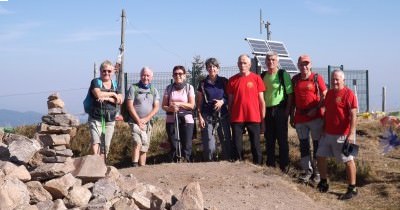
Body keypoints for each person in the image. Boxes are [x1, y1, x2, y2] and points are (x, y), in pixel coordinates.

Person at [316, 69, 358, 200]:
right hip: (328, 133)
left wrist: (351, 134)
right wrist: (323, 127)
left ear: (343, 80)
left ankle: (352, 188)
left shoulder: (349, 94)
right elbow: (327, 111)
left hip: (343, 134)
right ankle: (323, 182)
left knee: (348, 160)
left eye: (337, 79)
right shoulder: (329, 94)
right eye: (333, 79)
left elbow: (354, 115)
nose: (334, 81)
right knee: (320, 155)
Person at [290, 55, 327, 183]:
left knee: (317, 145)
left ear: (310, 65)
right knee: (304, 145)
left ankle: (317, 172)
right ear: (298, 65)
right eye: (301, 64)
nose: (304, 66)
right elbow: (292, 99)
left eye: (306, 64)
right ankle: (307, 171)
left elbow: (325, 94)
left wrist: (316, 109)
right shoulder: (295, 79)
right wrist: (292, 115)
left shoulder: (317, 78)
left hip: (315, 118)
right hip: (300, 118)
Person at [226, 54, 265, 165]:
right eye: (240, 63)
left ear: (249, 64)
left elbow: (261, 101)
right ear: (237, 64)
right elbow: (230, 101)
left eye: (245, 63)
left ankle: (258, 166)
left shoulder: (257, 78)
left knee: (255, 144)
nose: (242, 65)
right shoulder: (232, 80)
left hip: (254, 117)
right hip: (237, 118)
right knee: (237, 144)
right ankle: (239, 165)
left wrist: (263, 120)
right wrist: (230, 116)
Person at [262, 51, 293, 172]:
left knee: (282, 139)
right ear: (265, 61)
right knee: (269, 139)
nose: (271, 62)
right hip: (267, 111)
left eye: (273, 60)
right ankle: (271, 165)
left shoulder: (282, 74)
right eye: (269, 60)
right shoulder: (263, 75)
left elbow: (290, 94)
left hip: (280, 110)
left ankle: (284, 166)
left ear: (277, 61)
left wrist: (287, 111)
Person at [196, 58, 232, 161]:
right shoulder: (202, 83)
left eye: (214, 66)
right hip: (207, 116)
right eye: (209, 66)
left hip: (223, 115)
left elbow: (229, 98)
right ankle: (209, 164)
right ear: (207, 69)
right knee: (209, 144)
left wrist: (222, 102)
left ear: (218, 68)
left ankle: (227, 163)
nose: (212, 68)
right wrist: (200, 117)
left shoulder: (224, 81)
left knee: (226, 141)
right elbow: (199, 102)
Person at [87, 60, 123, 158]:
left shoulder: (116, 84)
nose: (106, 73)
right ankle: (96, 162)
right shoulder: (95, 82)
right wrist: (113, 94)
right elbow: (98, 94)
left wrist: (106, 98)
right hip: (95, 117)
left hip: (110, 119)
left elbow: (120, 100)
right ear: (100, 71)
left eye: (109, 71)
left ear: (112, 72)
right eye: (104, 71)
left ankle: (102, 165)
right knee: (96, 141)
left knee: (106, 145)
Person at [126, 67, 160, 167]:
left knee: (145, 144)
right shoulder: (133, 88)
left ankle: (142, 167)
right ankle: (134, 164)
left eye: (148, 75)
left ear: (151, 77)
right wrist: (138, 121)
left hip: (148, 122)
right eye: (143, 75)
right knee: (137, 141)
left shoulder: (154, 90)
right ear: (140, 76)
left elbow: (156, 107)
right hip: (134, 121)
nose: (145, 77)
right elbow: (129, 105)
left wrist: (146, 119)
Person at [162, 65, 195, 162]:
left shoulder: (189, 88)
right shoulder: (168, 88)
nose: (178, 76)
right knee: (173, 144)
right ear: (173, 76)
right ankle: (175, 163)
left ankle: (186, 161)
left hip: (187, 120)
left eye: (180, 74)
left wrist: (179, 104)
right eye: (175, 74)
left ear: (185, 75)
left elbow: (192, 105)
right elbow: (164, 106)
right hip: (171, 119)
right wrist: (171, 108)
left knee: (187, 144)